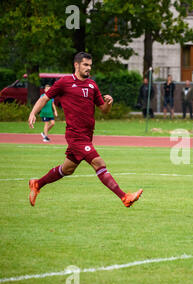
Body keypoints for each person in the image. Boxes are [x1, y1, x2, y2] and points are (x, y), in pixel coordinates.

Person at [27, 52, 143, 208]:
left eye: (90, 65)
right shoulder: (65, 82)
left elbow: (104, 109)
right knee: (99, 163)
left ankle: (37, 184)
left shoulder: (92, 85)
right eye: (85, 65)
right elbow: (45, 98)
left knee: (67, 169)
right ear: (76, 65)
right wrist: (33, 113)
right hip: (75, 136)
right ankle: (125, 197)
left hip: (87, 136)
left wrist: (109, 102)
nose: (89, 68)